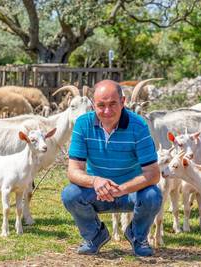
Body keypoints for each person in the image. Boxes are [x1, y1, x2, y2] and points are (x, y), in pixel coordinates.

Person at [61, 80, 162, 257]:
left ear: (123, 102)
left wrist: (122, 189)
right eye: (101, 105)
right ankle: (95, 235)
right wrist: (95, 181)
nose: (107, 111)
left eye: (113, 104)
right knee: (70, 194)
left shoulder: (138, 125)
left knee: (153, 195)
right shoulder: (83, 125)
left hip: (130, 192)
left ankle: (138, 236)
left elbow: (153, 174)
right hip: (98, 191)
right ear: (93, 105)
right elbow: (73, 171)